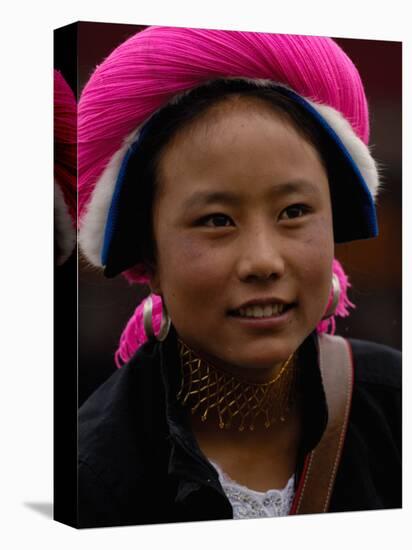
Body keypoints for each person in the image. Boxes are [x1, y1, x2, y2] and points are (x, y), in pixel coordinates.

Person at [77, 26, 401, 528]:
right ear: (151, 258)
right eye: (216, 220)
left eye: (294, 211)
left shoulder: (394, 408)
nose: (263, 262)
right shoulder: (89, 475)